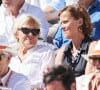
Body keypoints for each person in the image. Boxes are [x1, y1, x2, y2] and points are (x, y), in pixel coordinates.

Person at [9, 14, 55, 89]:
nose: (30, 34)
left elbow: (47, 80)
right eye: (26, 30)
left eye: (35, 31)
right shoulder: (9, 52)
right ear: (16, 33)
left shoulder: (45, 52)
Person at [55, 4, 93, 77]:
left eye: (65, 22)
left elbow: (90, 80)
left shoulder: (93, 47)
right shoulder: (62, 51)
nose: (62, 27)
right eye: (61, 23)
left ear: (80, 22)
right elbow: (56, 80)